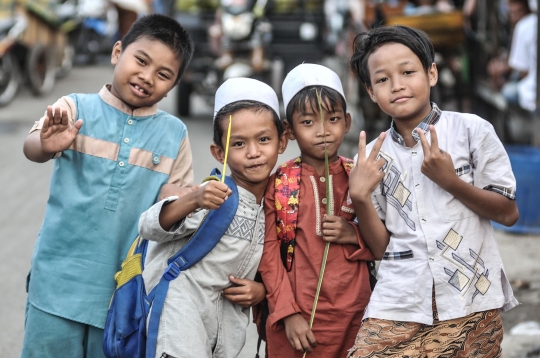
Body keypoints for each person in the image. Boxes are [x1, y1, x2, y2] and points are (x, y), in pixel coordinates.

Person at [21, 14, 194, 358]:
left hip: (124, 296)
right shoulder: (73, 107)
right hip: (56, 283)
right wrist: (46, 144)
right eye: (141, 61)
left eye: (163, 74)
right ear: (118, 52)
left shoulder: (175, 135)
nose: (147, 77)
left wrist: (181, 201)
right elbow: (31, 147)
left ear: (174, 85)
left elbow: (176, 207)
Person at [347, 25, 519, 357]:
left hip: (469, 296)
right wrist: (360, 197)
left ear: (432, 74)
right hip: (400, 299)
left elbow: (508, 213)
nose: (397, 85)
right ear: (370, 92)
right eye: (382, 80)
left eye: (408, 72)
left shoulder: (471, 131)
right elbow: (381, 247)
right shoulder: (369, 159)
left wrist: (450, 181)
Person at [138, 77, 288, 358]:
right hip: (180, 315)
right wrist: (192, 199)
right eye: (239, 143)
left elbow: (271, 265)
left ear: (282, 141)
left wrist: (261, 290)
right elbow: (148, 226)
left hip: (226, 330)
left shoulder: (280, 205)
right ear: (219, 153)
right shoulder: (213, 195)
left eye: (264, 139)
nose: (254, 152)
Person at [258, 63, 376, 357]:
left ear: (347, 122)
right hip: (298, 321)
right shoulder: (279, 184)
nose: (323, 131)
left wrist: (355, 235)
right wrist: (287, 312)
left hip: (356, 315)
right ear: (290, 130)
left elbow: (389, 242)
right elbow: (269, 253)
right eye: (308, 122)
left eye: (333, 119)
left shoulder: (359, 176)